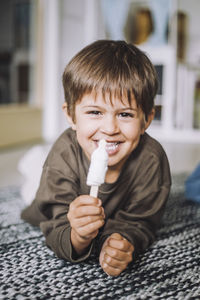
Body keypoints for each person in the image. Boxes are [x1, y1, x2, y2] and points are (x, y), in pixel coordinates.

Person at [21, 40, 171, 277]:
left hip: (113, 207)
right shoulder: (64, 153)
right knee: (33, 190)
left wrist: (120, 241)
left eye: (125, 114)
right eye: (95, 112)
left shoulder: (151, 159)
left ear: (147, 119)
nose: (110, 128)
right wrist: (77, 235)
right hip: (54, 197)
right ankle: (33, 166)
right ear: (71, 115)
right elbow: (54, 225)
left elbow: (143, 221)